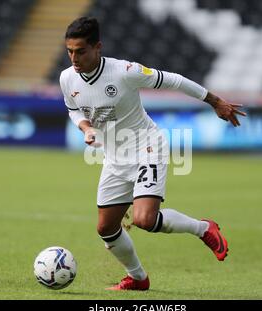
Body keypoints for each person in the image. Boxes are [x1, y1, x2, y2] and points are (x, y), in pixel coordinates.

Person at [59, 17, 246, 291]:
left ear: (98, 47)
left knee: (144, 219)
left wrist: (215, 101)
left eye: (80, 51)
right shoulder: (67, 78)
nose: (74, 58)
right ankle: (137, 278)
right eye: (69, 51)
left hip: (147, 146)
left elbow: (174, 81)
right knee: (106, 229)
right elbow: (73, 108)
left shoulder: (124, 71)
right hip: (114, 157)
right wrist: (85, 127)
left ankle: (204, 229)